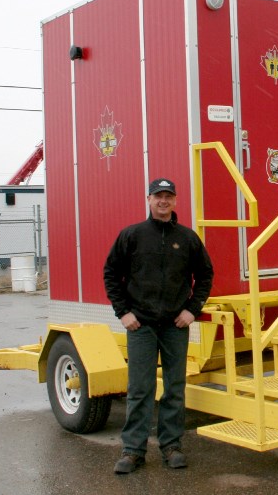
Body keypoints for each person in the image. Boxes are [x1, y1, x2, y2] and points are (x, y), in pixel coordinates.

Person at [104, 178, 214, 474]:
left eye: (168, 196)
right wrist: (123, 312)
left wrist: (192, 310)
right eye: (158, 196)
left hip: (175, 326)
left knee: (174, 389)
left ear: (175, 201)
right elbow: (111, 274)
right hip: (141, 325)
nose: (163, 201)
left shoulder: (187, 238)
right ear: (149, 199)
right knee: (140, 388)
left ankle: (171, 446)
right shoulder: (132, 235)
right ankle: (133, 450)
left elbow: (205, 276)